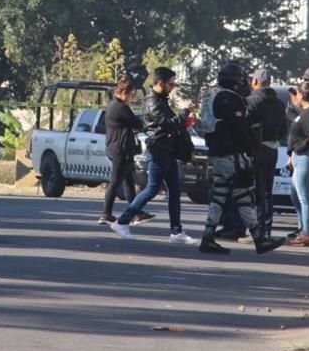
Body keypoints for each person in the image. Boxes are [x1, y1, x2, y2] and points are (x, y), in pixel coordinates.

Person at [197, 62, 286, 255]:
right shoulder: (229, 99)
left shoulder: (211, 95)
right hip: (231, 153)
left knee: (230, 195)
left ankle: (214, 236)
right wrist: (250, 149)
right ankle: (256, 239)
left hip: (217, 151)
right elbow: (240, 129)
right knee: (237, 195)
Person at [108, 67, 199, 244]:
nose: (173, 87)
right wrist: (184, 114)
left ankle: (176, 231)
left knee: (174, 190)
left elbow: (172, 124)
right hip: (158, 150)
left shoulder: (162, 100)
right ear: (160, 83)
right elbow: (165, 123)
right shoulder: (152, 101)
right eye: (171, 84)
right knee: (152, 189)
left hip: (168, 150)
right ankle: (122, 221)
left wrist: (184, 122)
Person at [99, 75, 153, 225]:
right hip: (120, 149)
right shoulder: (120, 107)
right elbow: (137, 123)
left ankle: (135, 213)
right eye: (132, 95)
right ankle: (106, 214)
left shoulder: (113, 105)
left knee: (128, 182)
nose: (132, 98)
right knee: (115, 181)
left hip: (117, 147)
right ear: (125, 93)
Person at [244, 67, 287, 239]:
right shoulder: (279, 103)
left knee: (255, 189)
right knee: (268, 191)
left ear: (255, 81)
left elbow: (245, 128)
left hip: (256, 149)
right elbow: (284, 129)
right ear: (270, 83)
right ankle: (266, 229)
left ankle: (256, 230)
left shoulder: (250, 101)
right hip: (273, 148)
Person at [285, 81, 309, 246]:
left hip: (305, 156)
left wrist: (305, 143)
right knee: (295, 195)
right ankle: (303, 229)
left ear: (301, 95)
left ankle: (307, 233)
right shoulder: (305, 112)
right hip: (299, 156)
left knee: (304, 196)